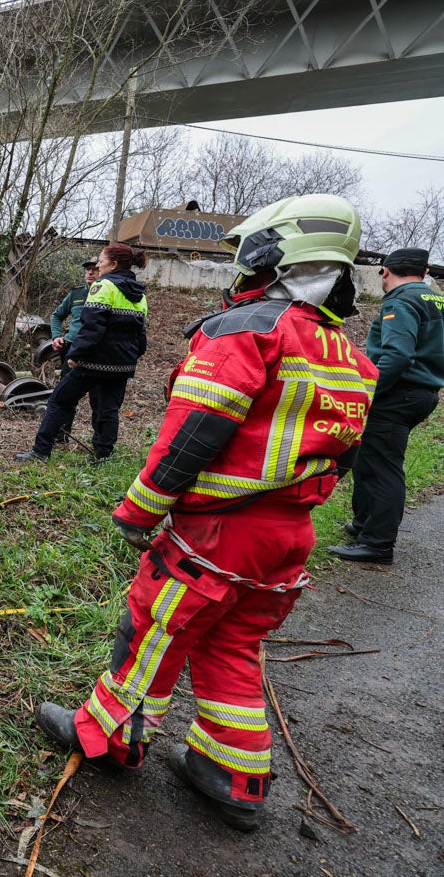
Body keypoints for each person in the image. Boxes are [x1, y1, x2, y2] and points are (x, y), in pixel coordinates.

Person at [33, 194, 376, 832]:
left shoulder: (245, 330)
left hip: (219, 535)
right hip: (289, 535)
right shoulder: (351, 357)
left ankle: (107, 738)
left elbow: (194, 433)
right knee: (234, 642)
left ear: (271, 255)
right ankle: (233, 775)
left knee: (153, 629)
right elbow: (346, 453)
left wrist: (139, 511)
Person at [329, 248, 444, 564]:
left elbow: (396, 355)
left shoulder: (400, 301)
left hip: (397, 394)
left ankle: (378, 543)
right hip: (422, 391)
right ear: (423, 273)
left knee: (381, 467)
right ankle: (365, 525)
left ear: (386, 272)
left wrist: (366, 392)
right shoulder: (435, 299)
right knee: (369, 459)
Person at [17, 244, 148, 462]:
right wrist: (129, 358)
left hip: (94, 363)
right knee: (108, 409)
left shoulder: (103, 286)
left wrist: (76, 356)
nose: (97, 265)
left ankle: (41, 451)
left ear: (113, 264)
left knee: (59, 401)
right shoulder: (139, 294)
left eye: (101, 261)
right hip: (122, 365)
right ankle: (103, 455)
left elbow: (91, 329)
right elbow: (140, 337)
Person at [44, 257, 101, 444]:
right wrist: (56, 336)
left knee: (98, 399)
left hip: (95, 352)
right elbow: (57, 315)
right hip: (71, 349)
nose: (90, 273)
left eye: (95, 269)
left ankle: (98, 441)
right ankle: (62, 435)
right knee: (66, 395)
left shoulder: (107, 294)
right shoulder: (76, 294)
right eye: (88, 270)